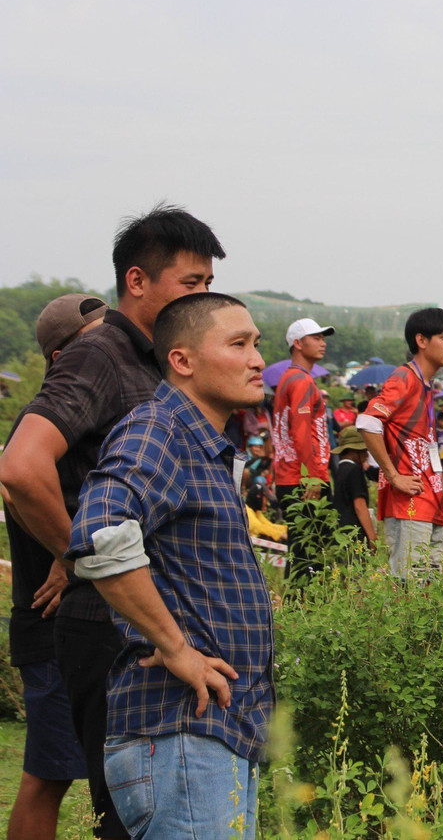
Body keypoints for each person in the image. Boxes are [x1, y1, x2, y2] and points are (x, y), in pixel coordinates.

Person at [0, 204, 223, 839]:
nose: (203, 296)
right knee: (124, 814)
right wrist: (79, 554)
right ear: (137, 281)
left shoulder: (161, 361)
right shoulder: (99, 353)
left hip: (151, 616)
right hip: (106, 622)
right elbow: (20, 467)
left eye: (208, 283)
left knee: (154, 802)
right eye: (190, 283)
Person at [66, 292, 274, 838]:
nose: (257, 359)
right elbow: (101, 535)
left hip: (214, 735)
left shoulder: (202, 445)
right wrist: (176, 648)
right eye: (238, 344)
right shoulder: (159, 430)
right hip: (181, 735)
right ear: (181, 360)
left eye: (257, 344)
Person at [2, 293, 106, 840]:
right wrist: (74, 556)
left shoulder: (85, 412)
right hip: (50, 620)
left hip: (80, 619)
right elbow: (16, 482)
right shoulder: (45, 417)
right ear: (61, 356)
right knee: (48, 778)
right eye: (96, 343)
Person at [355, 308, 443, 578]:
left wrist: (440, 497)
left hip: (429, 500)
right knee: (409, 587)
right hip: (408, 501)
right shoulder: (405, 377)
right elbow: (368, 422)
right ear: (421, 341)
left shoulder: (426, 385)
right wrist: (393, 475)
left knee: (429, 588)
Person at [271, 317, 335, 581]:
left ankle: (298, 610)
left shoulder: (289, 378)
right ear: (298, 343)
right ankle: (304, 612)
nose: (322, 343)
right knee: (312, 551)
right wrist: (312, 475)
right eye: (316, 338)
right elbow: (300, 432)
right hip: (304, 478)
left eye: (323, 338)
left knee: (301, 550)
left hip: (292, 475)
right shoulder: (301, 382)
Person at [330, 425, 377, 551]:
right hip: (355, 533)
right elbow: (359, 505)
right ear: (355, 450)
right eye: (364, 450)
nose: (367, 454)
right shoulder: (355, 470)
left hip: (342, 532)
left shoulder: (340, 469)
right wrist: (372, 536)